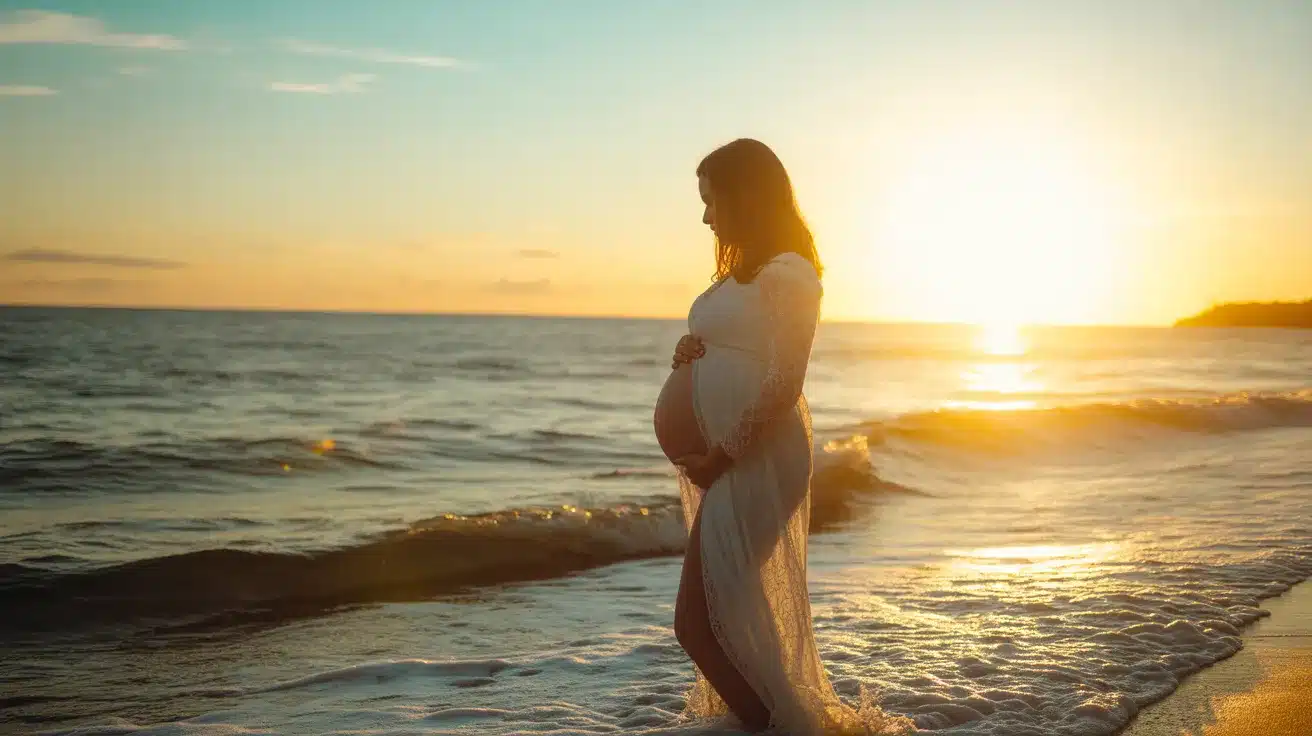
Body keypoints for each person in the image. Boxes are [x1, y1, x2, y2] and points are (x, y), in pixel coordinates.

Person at [652, 139, 905, 734]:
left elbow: (785, 379)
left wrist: (723, 453)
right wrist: (690, 353)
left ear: (745, 196)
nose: (706, 217)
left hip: (757, 460)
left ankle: (773, 727)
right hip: (734, 462)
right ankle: (773, 722)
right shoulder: (742, 275)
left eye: (712, 200)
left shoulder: (791, 272)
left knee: (697, 624)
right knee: (724, 616)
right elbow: (738, 348)